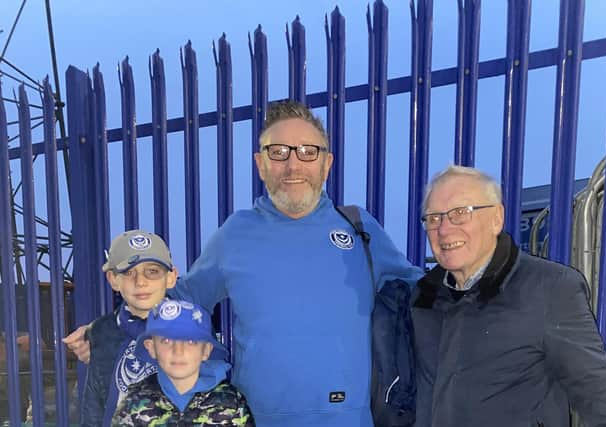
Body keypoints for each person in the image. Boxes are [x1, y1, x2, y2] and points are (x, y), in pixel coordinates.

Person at [66, 100, 424, 427]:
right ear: (261, 163)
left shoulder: (358, 228)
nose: (293, 164)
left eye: (308, 152)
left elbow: (423, 294)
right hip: (256, 418)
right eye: (279, 152)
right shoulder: (235, 234)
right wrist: (106, 333)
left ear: (327, 163)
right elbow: (176, 301)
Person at [412, 165, 606, 426]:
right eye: (434, 218)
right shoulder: (423, 298)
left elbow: (599, 397)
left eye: (460, 213)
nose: (444, 229)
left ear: (496, 218)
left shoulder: (550, 289)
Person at [79, 229, 178, 427]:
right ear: (113, 280)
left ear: (171, 277)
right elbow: (94, 400)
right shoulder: (101, 330)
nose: (140, 282)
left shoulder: (191, 327)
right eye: (128, 272)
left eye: (152, 271)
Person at [111, 299, 254, 426]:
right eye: (166, 341)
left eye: (190, 341)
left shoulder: (231, 404)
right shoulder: (133, 404)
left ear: (206, 350)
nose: (178, 351)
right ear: (152, 348)